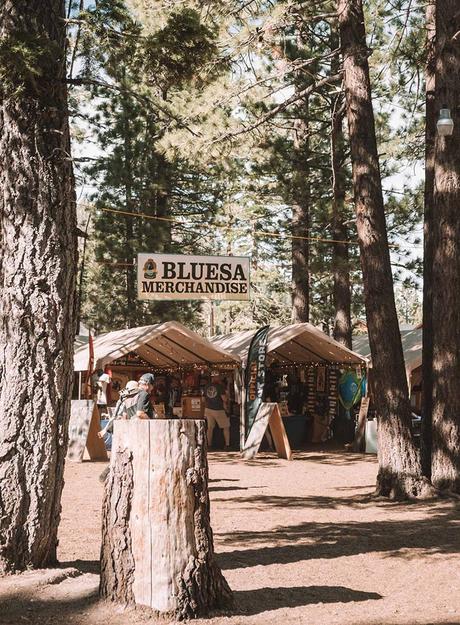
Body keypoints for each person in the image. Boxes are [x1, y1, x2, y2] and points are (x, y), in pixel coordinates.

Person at [204, 373, 230, 449]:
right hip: (218, 409)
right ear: (214, 377)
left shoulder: (206, 386)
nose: (219, 378)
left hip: (208, 409)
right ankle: (227, 445)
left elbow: (203, 399)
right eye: (218, 376)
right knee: (226, 427)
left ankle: (209, 445)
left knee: (210, 428)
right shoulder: (220, 386)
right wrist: (227, 396)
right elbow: (224, 399)